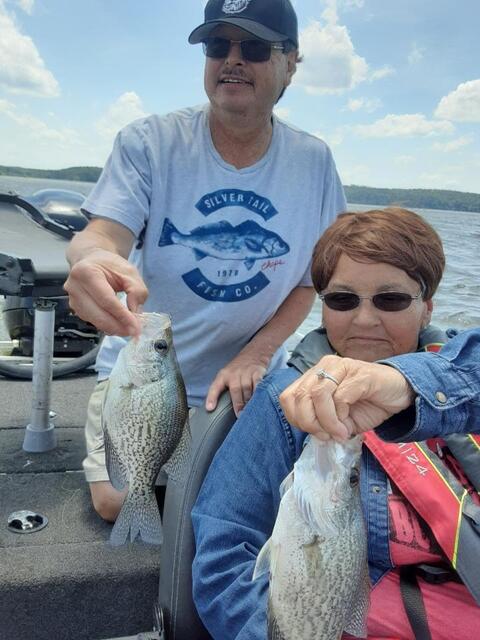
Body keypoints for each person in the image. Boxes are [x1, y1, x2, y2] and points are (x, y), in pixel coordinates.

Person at [64, 0, 346, 522]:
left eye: (255, 48)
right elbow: (102, 235)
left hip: (244, 378)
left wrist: (258, 354)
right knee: (117, 500)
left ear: (290, 63)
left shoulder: (314, 161)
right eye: (219, 46)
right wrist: (90, 261)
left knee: (256, 498)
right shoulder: (149, 141)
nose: (232, 60)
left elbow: (311, 281)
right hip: (145, 373)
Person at [192, 208, 480, 640]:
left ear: (427, 309)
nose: (364, 320)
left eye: (392, 300)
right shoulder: (286, 402)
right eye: (342, 300)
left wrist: (405, 385)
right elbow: (224, 560)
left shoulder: (461, 376)